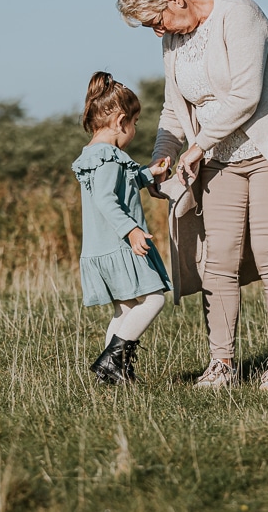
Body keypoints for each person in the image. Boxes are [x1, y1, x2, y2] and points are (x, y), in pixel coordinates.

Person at [117, 0, 268, 392]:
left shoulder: (240, 14)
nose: (158, 32)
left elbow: (246, 95)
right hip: (219, 160)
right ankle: (222, 364)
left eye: (157, 21)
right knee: (218, 261)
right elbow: (175, 106)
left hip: (266, 153)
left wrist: (196, 146)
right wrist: (164, 153)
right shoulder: (175, 38)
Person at [71, 71, 172, 384]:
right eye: (136, 123)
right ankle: (112, 362)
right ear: (120, 121)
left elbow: (119, 187)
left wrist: (147, 173)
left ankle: (111, 374)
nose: (135, 130)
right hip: (120, 244)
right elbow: (105, 198)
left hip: (102, 247)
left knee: (126, 309)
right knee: (154, 299)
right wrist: (132, 230)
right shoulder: (110, 156)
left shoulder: (94, 155)